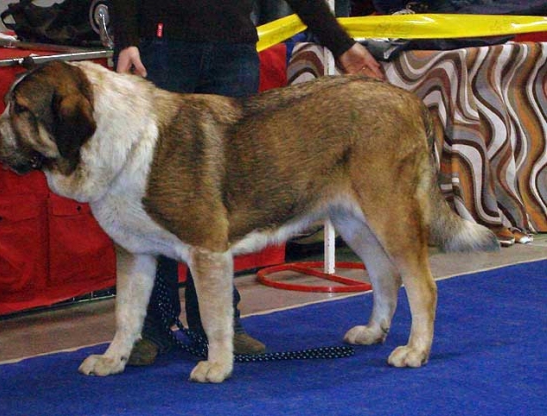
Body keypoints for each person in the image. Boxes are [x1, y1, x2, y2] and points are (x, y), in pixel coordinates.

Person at [111, 0, 385, 365]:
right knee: (157, 195)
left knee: (225, 197)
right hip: (160, 50)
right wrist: (126, 40)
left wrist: (341, 44)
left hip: (234, 50)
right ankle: (149, 329)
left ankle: (219, 326)